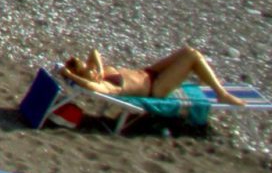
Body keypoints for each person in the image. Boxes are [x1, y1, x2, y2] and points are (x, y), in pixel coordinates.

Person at [63, 47, 243, 105]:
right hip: (155, 89)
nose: (94, 72)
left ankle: (206, 79)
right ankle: (221, 93)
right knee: (192, 57)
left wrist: (99, 69)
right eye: (91, 73)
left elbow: (94, 52)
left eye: (92, 69)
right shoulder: (104, 86)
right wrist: (70, 75)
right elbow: (90, 86)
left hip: (149, 72)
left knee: (188, 50)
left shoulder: (100, 74)